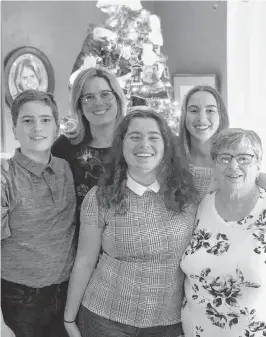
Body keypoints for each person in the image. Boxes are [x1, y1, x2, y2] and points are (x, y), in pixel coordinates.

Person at [63, 109, 198, 337]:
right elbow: (84, 261)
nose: (144, 144)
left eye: (154, 137)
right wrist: (69, 319)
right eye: (134, 136)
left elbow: (234, 174)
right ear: (122, 144)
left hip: (168, 323)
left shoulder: (188, 194)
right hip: (104, 319)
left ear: (166, 146)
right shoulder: (99, 198)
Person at [1, 90, 77, 337]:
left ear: (56, 127)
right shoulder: (5, 178)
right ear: (14, 129)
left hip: (67, 291)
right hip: (21, 298)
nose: (37, 128)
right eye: (27, 120)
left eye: (45, 120)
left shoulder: (65, 168)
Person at [180, 128, 266, 337]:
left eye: (244, 158)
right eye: (224, 158)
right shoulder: (199, 204)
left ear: (258, 164)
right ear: (214, 165)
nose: (233, 166)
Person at [52, 66, 126, 210]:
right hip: (79, 231)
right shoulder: (64, 147)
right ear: (79, 106)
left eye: (105, 94)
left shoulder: (134, 142)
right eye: (89, 97)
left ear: (117, 98)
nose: (98, 103)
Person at [178, 85, 266, 197]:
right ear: (184, 116)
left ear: (221, 115)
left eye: (210, 110)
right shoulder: (171, 158)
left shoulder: (237, 157)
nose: (202, 118)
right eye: (194, 110)